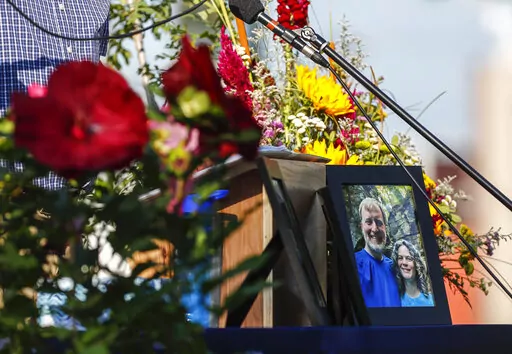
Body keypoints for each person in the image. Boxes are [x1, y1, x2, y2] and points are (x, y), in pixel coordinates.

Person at [354, 198, 401, 307]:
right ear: (361, 227)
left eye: (379, 222)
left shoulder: (395, 267)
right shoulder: (353, 264)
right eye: (369, 222)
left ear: (385, 227)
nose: (375, 229)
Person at [392, 239, 434, 307]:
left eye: (409, 258)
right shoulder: (393, 299)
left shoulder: (431, 301)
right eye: (400, 258)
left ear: (417, 264)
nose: (404, 263)